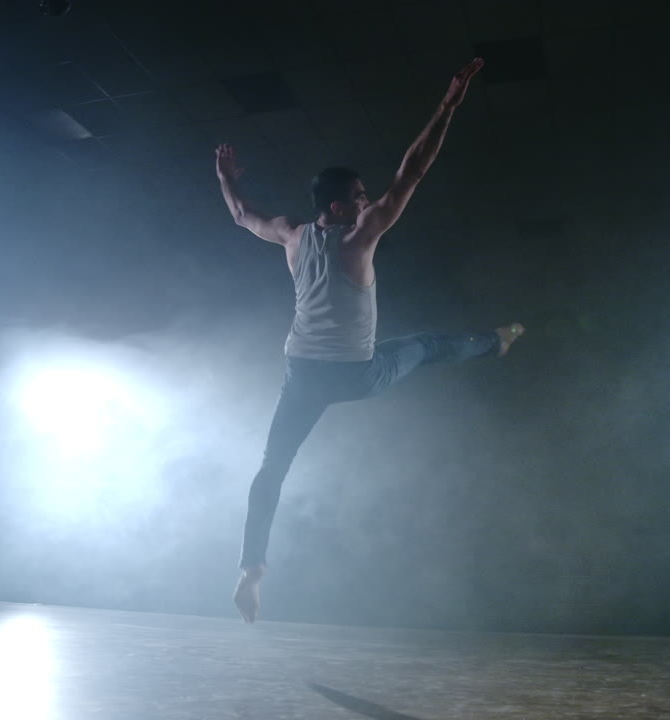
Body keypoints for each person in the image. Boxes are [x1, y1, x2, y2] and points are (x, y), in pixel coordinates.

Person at [214, 58, 524, 623]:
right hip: (355, 374)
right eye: (359, 196)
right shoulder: (358, 239)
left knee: (272, 468)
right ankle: (495, 343)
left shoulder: (290, 234)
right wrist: (447, 106)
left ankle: (250, 570)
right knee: (426, 345)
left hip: (301, 373)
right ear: (339, 207)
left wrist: (227, 177)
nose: (367, 200)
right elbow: (413, 172)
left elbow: (239, 214)